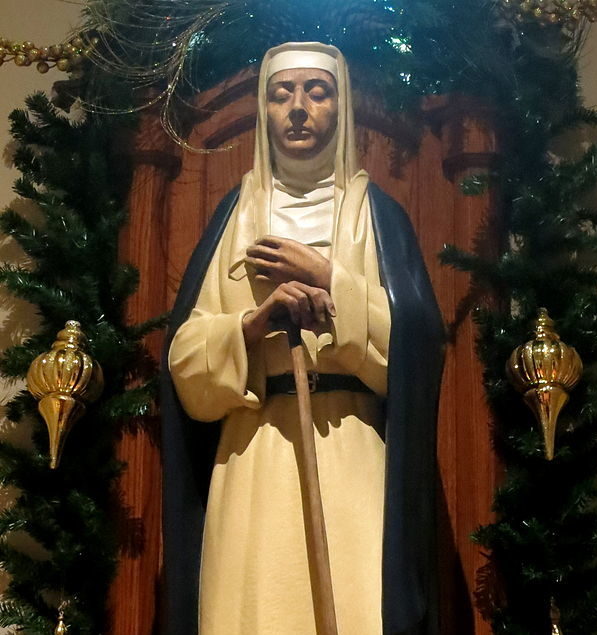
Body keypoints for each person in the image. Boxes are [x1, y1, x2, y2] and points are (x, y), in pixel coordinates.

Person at [161, 42, 445, 635]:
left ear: (342, 108)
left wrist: (328, 280)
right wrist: (251, 326)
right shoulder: (234, 217)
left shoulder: (378, 217)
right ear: (263, 110)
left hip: (351, 448)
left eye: (317, 92)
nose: (298, 108)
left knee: (359, 604)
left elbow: (417, 351)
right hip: (254, 450)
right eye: (280, 93)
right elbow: (185, 364)